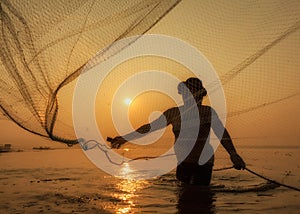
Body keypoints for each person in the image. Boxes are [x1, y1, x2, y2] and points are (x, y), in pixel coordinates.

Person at [109, 77, 245, 185]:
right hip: (183, 162)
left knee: (201, 200)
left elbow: (222, 134)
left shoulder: (207, 112)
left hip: (204, 162)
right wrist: (124, 138)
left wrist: (234, 155)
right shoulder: (174, 113)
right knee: (184, 199)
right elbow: (149, 128)